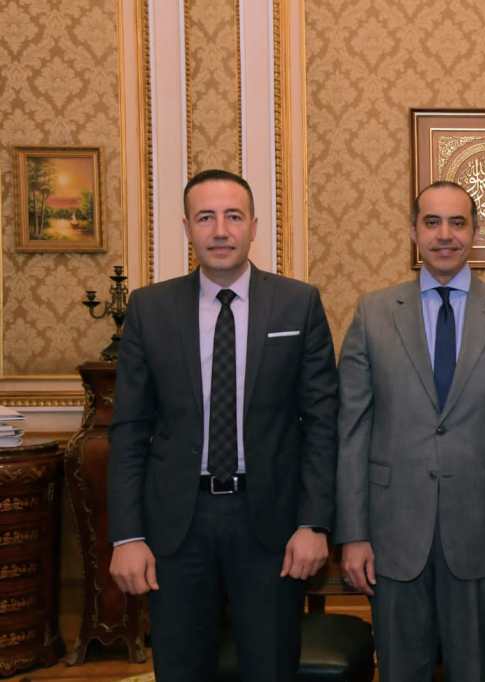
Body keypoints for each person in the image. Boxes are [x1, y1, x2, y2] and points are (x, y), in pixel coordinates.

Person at [107, 169, 339, 681]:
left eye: (233, 216)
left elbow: (322, 422)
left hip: (271, 525)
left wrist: (314, 523)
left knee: (270, 666)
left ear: (254, 226)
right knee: (182, 668)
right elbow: (129, 429)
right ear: (186, 227)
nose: (220, 230)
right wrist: (127, 536)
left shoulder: (298, 303)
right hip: (177, 526)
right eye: (205, 217)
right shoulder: (149, 309)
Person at [335, 181, 485, 682]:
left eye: (457, 223)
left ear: (475, 232)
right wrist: (353, 533)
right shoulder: (372, 313)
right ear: (414, 232)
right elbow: (352, 431)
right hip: (392, 535)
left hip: (483, 534)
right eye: (432, 222)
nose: (445, 235)